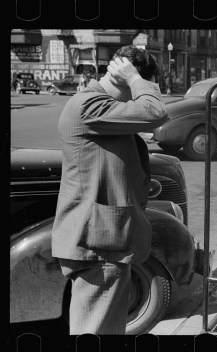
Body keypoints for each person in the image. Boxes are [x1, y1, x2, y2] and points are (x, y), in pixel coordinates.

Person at [51, 45, 167, 335]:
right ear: (121, 77)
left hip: (107, 241)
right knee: (96, 331)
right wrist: (136, 80)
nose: (136, 95)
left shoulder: (99, 107)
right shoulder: (88, 105)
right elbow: (154, 111)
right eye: (133, 85)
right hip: (99, 243)